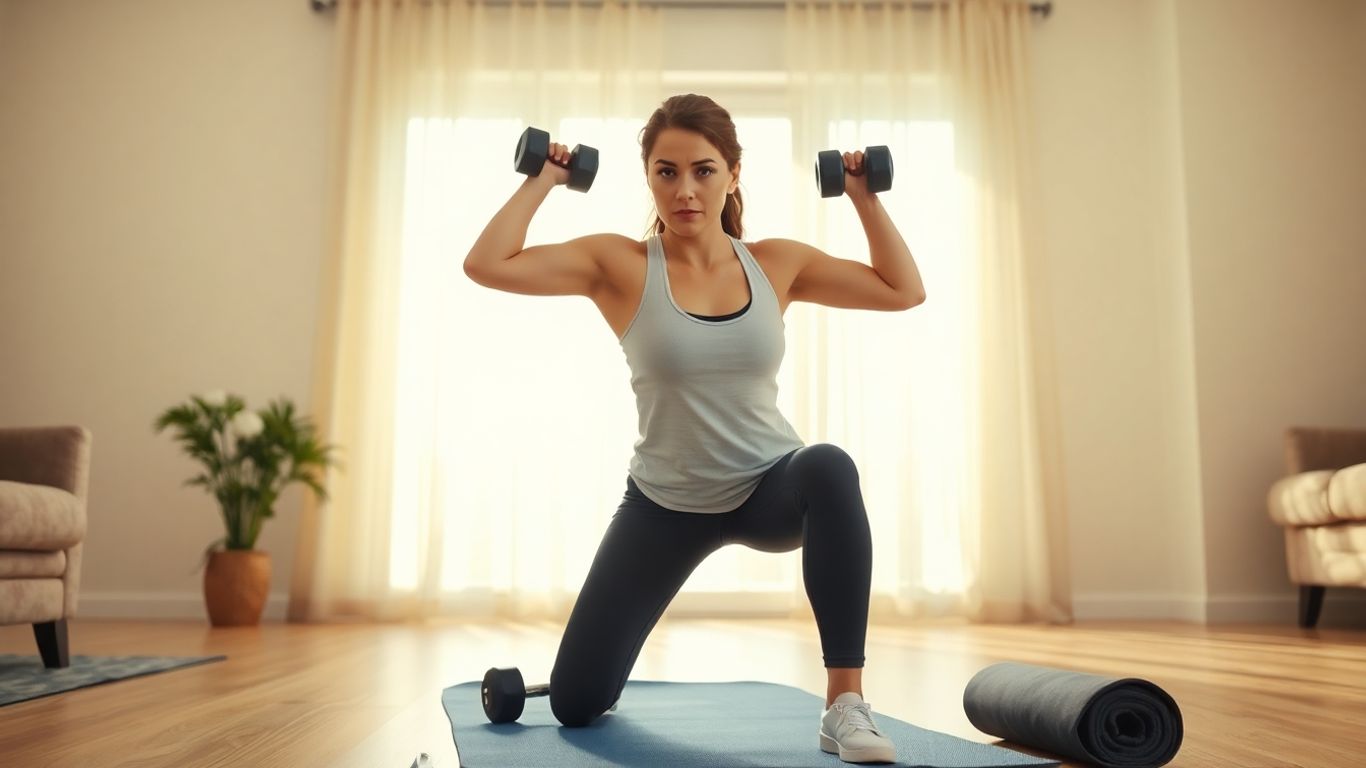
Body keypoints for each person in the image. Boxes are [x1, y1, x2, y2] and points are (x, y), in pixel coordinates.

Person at [463, 93, 925, 765]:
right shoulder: (620, 265)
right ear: (647, 176)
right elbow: (487, 264)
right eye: (666, 171)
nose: (685, 190)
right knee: (576, 704)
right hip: (663, 505)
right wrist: (545, 179)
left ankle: (844, 705)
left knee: (828, 464)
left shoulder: (775, 263)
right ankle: (584, 677)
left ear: (734, 174)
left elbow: (901, 290)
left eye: (703, 171)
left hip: (768, 486)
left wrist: (862, 195)